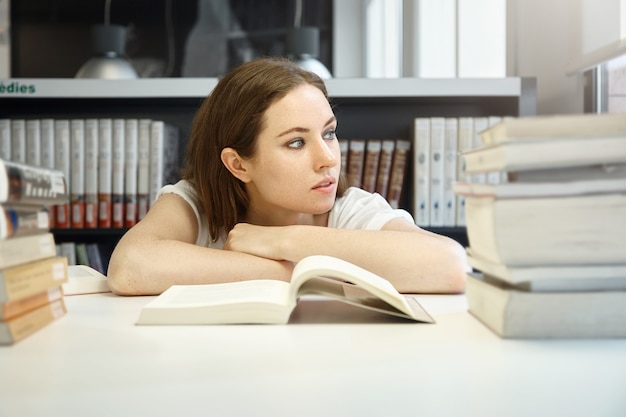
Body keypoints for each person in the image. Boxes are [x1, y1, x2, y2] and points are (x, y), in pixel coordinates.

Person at [107, 57, 468, 296]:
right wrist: (296, 273)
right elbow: (130, 267)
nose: (327, 159)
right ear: (238, 165)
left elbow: (450, 265)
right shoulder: (193, 203)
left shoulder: (351, 211)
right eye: (296, 142)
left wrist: (286, 242)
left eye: (328, 133)